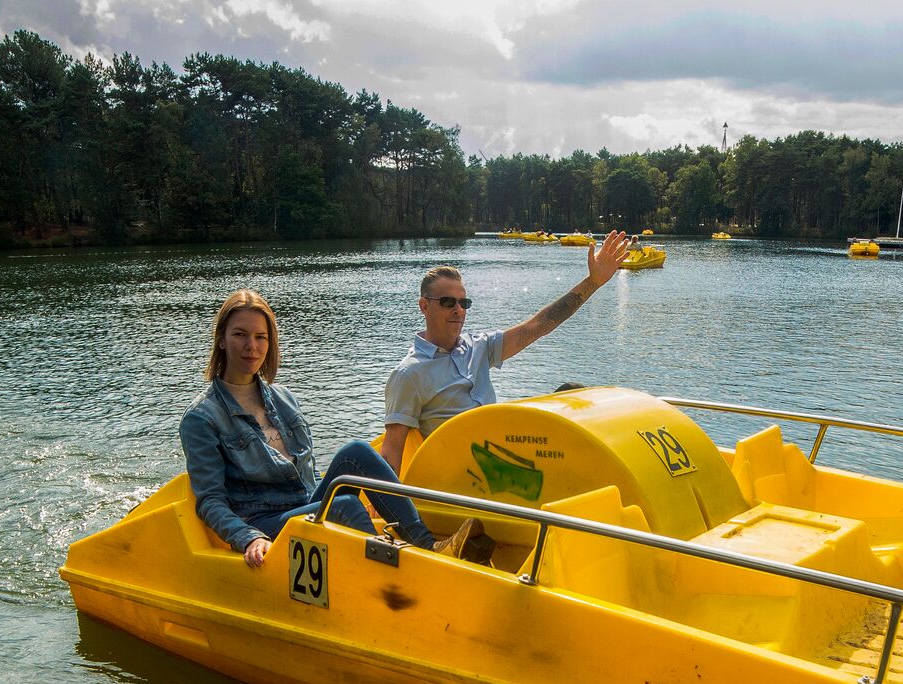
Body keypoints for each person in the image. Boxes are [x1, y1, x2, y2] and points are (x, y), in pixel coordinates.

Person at [181, 289, 481, 568]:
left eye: (261, 337)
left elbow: (307, 472)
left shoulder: (283, 399)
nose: (252, 346)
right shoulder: (202, 417)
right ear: (221, 339)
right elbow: (210, 501)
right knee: (345, 504)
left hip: (303, 502)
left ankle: (428, 546)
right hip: (264, 520)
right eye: (240, 335)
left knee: (356, 452)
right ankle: (394, 575)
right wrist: (248, 537)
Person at [380, 230, 632, 466]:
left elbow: (539, 325)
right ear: (424, 306)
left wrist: (593, 282)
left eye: (463, 302)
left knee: (572, 393)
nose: (458, 310)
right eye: (447, 302)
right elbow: (392, 453)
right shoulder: (409, 374)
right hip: (468, 475)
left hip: (504, 451)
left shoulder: (478, 347)